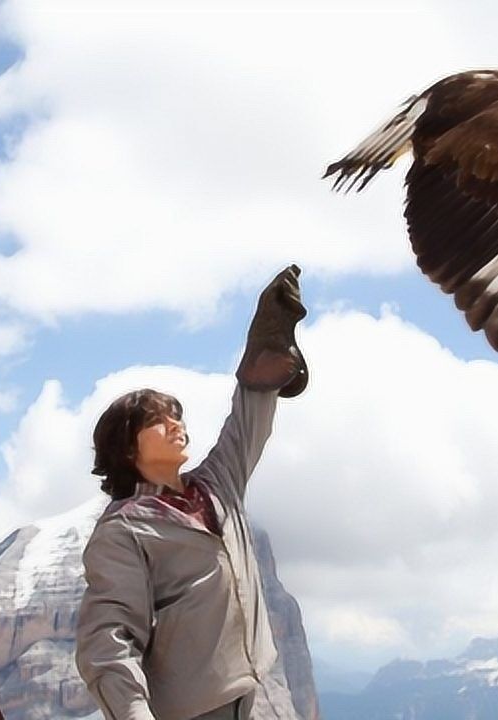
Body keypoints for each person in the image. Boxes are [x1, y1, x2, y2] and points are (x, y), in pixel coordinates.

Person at [76, 265, 309, 720]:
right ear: (126, 447)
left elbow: (248, 420)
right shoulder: (123, 531)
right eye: (157, 420)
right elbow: (109, 636)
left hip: (248, 694)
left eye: (177, 415)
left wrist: (266, 343)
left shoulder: (216, 484)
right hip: (190, 711)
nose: (176, 424)